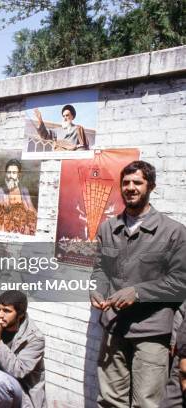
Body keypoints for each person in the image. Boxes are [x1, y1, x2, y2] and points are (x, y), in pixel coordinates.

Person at [90, 160, 186, 407]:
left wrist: (138, 292)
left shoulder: (173, 232)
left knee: (146, 403)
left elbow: (179, 283)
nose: (130, 187)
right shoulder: (108, 228)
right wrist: (97, 289)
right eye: (126, 182)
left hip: (152, 332)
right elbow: (100, 269)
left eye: (137, 182)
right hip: (114, 327)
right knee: (110, 400)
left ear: (151, 186)